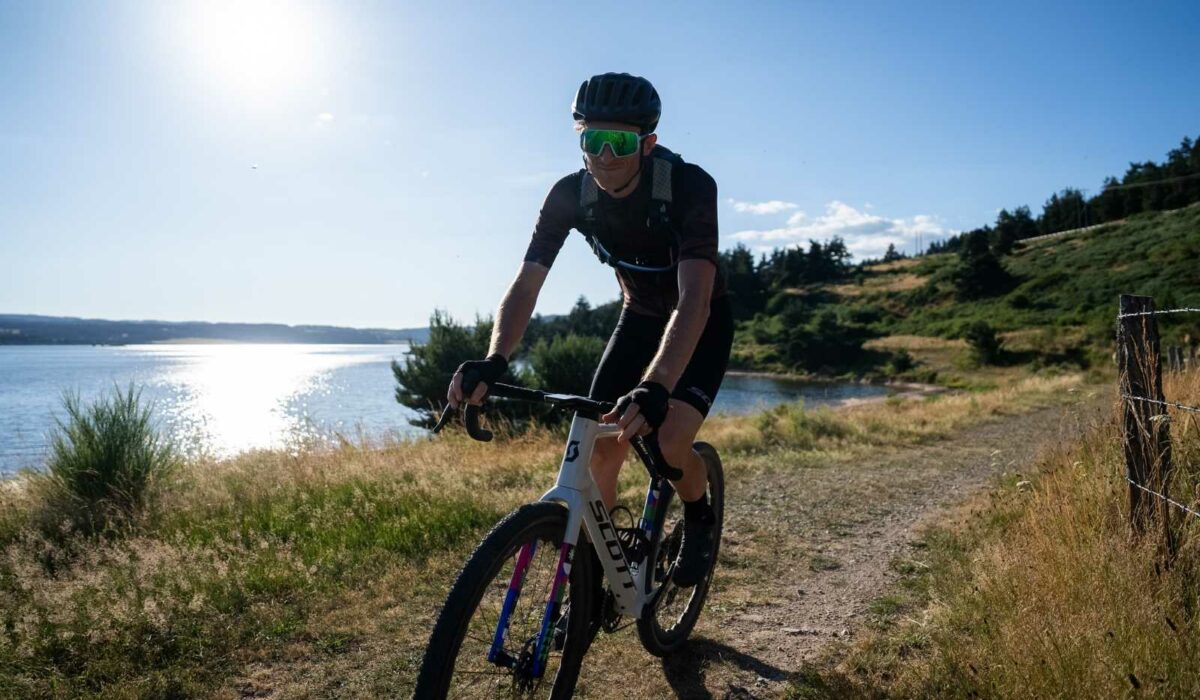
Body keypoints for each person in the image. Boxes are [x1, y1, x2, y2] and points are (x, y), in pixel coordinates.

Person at [446, 72, 733, 588]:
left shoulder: (689, 186)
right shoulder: (569, 196)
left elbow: (694, 299)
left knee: (669, 444)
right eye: (590, 140)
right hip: (641, 317)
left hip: (701, 321)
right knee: (601, 443)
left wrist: (657, 385)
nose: (603, 155)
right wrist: (495, 359)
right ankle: (589, 584)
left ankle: (699, 516)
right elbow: (527, 283)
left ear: (648, 144)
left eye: (618, 142)